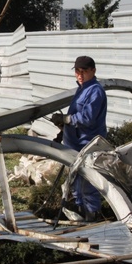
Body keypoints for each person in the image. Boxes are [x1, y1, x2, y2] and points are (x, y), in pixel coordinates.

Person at [51, 55, 108, 221]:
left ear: (93, 71)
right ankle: (81, 213)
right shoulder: (82, 89)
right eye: (77, 71)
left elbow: (87, 119)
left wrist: (67, 119)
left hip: (86, 144)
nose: (80, 75)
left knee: (87, 183)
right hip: (75, 143)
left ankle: (92, 215)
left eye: (84, 71)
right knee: (76, 182)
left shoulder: (95, 91)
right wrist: (63, 128)